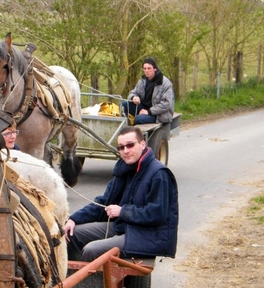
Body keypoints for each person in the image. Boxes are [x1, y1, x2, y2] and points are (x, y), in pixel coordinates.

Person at [63, 126, 179, 262]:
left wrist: (123, 211)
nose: (126, 151)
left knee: (92, 250)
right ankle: (71, 278)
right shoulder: (124, 170)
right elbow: (103, 202)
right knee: (71, 234)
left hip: (149, 235)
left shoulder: (159, 174)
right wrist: (74, 219)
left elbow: (157, 213)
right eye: (121, 147)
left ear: (142, 144)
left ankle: (88, 282)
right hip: (124, 226)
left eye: (130, 145)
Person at [122, 57, 174, 125]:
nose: (146, 71)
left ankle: (135, 134)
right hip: (143, 109)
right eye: (145, 68)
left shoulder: (165, 84)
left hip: (158, 115)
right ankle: (125, 128)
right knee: (124, 104)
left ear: (155, 69)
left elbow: (166, 104)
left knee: (138, 119)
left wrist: (149, 111)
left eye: (149, 68)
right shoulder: (142, 81)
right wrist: (134, 97)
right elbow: (133, 92)